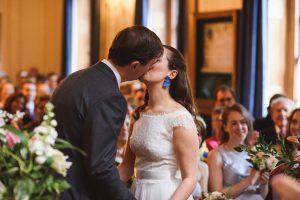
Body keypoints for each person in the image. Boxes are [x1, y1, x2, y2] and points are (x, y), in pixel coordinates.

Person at [51, 26, 163, 200]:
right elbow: (100, 169)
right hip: (75, 193)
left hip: (52, 188)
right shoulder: (110, 97)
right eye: (149, 65)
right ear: (135, 65)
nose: (149, 70)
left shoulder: (74, 78)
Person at [118, 45, 199, 200]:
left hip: (166, 194)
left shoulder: (180, 118)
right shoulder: (138, 114)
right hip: (137, 192)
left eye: (157, 59)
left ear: (172, 73)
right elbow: (127, 168)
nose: (149, 61)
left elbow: (190, 179)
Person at [207, 104, 269, 200]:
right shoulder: (216, 155)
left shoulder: (257, 152)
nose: (240, 127)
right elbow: (215, 196)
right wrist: (249, 181)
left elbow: (264, 195)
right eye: (234, 123)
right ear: (225, 127)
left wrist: (264, 183)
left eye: (243, 122)